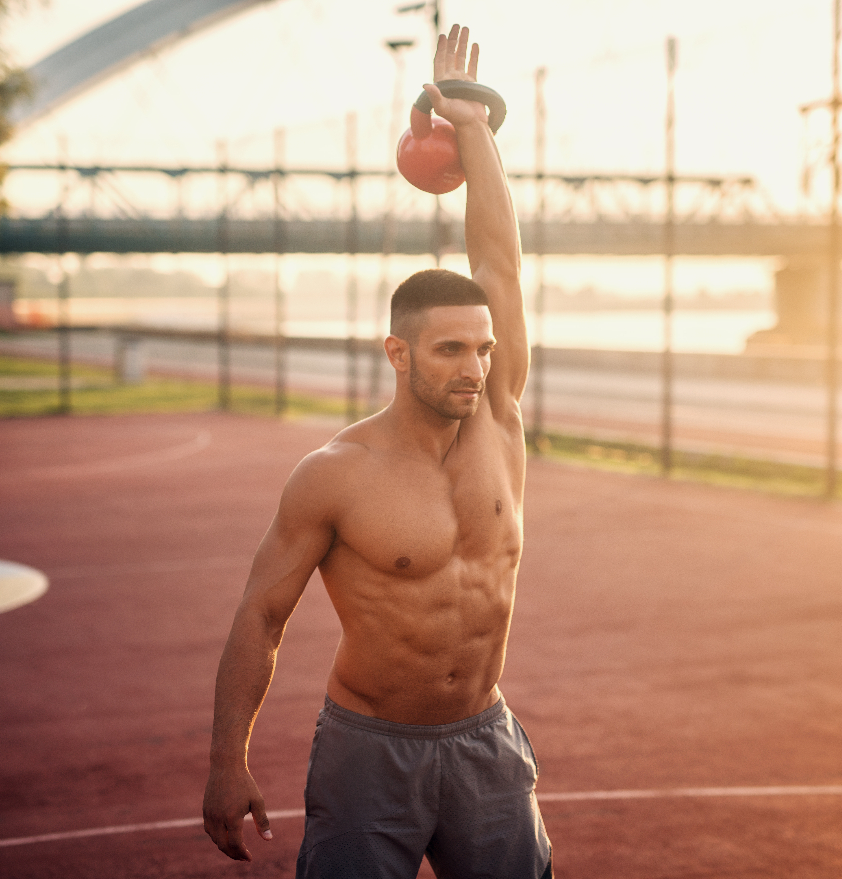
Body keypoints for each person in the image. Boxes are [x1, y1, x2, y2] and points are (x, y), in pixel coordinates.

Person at [203, 23, 552, 879]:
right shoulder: (335, 476)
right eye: (448, 351)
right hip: (371, 752)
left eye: (481, 348)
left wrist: (471, 125)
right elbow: (261, 615)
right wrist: (226, 762)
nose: (475, 366)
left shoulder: (500, 425)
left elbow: (500, 267)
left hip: (486, 741)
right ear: (397, 354)